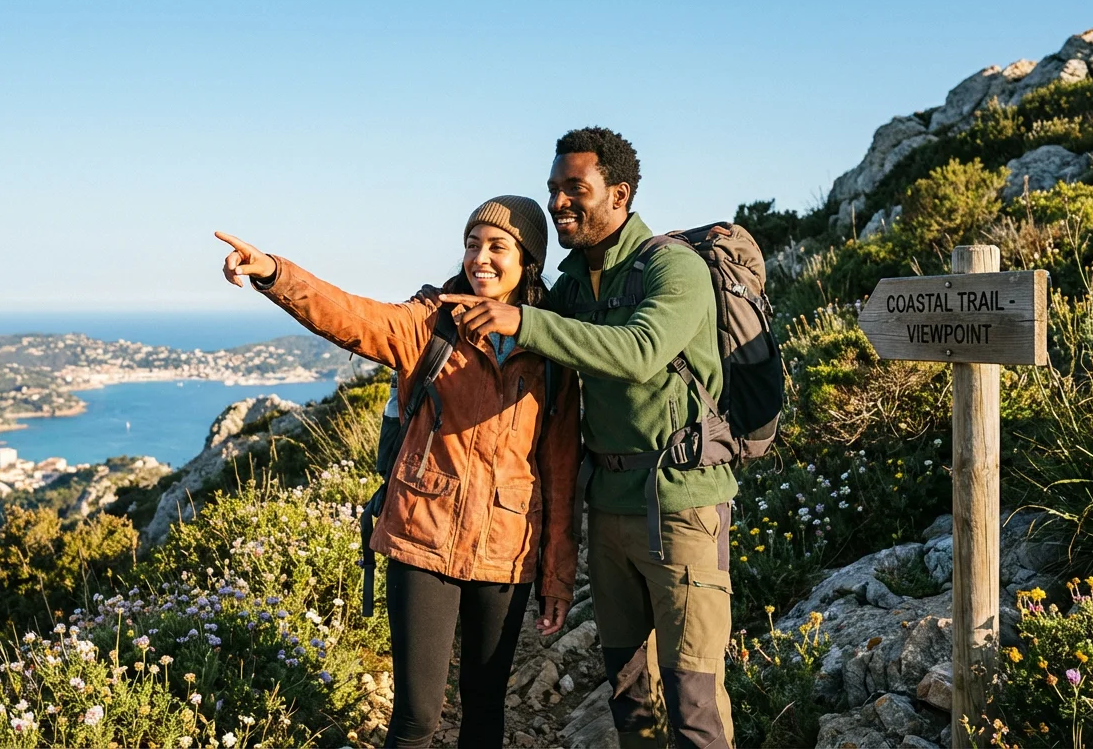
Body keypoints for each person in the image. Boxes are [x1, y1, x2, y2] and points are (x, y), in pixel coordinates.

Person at [212, 195, 580, 749]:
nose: (481, 257)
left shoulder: (552, 344)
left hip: (506, 548)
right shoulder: (431, 320)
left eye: (498, 246)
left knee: (484, 712)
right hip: (420, 535)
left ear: (527, 259)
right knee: (416, 718)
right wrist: (273, 273)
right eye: (472, 243)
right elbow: (351, 317)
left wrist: (555, 576)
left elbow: (559, 470)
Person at [441, 128, 737, 749]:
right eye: (553, 189)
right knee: (629, 692)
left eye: (575, 188)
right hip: (607, 505)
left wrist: (524, 321)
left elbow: (640, 352)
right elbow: (507, 292)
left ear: (619, 193)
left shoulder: (672, 267)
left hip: (681, 504)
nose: (559, 202)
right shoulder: (575, 283)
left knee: (694, 701)